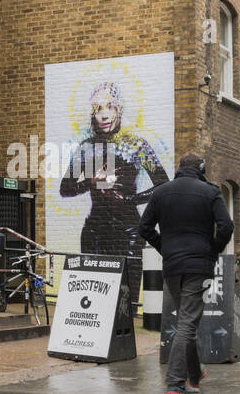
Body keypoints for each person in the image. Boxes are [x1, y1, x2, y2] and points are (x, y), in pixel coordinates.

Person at [59, 81, 169, 305]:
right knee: (92, 295)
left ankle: (124, 336)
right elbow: (65, 188)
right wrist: (89, 182)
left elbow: (164, 184)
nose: (104, 115)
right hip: (94, 233)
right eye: (98, 109)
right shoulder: (86, 147)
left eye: (110, 106)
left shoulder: (137, 145)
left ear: (119, 109)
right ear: (93, 114)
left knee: (125, 299)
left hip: (129, 232)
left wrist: (132, 199)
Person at [139, 153, 234, 394]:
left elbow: (144, 228)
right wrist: (213, 249)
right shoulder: (210, 192)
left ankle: (195, 373)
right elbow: (226, 226)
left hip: (172, 267)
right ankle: (175, 382)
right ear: (201, 168)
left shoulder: (161, 192)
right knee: (187, 324)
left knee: (185, 321)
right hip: (198, 267)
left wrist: (164, 247)